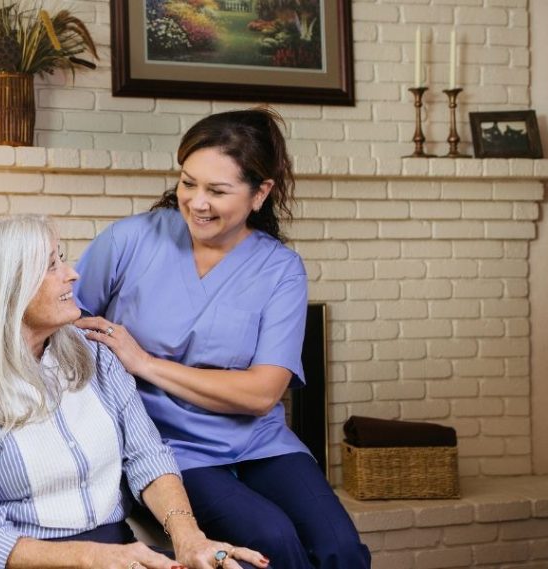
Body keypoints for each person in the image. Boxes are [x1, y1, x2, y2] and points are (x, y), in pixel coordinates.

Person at [73, 109, 371, 569]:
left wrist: (146, 364)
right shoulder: (129, 240)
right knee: (273, 541)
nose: (196, 202)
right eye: (188, 183)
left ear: (260, 193)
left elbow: (261, 393)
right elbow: (69, 323)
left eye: (217, 190)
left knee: (342, 549)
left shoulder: (280, 269)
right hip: (170, 448)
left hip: (261, 442)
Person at [0, 215, 269, 569]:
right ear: (8, 288)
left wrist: (189, 539)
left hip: (119, 552)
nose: (71, 274)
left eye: (62, 259)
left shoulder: (97, 355)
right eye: (51, 266)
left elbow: (147, 456)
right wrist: (91, 556)